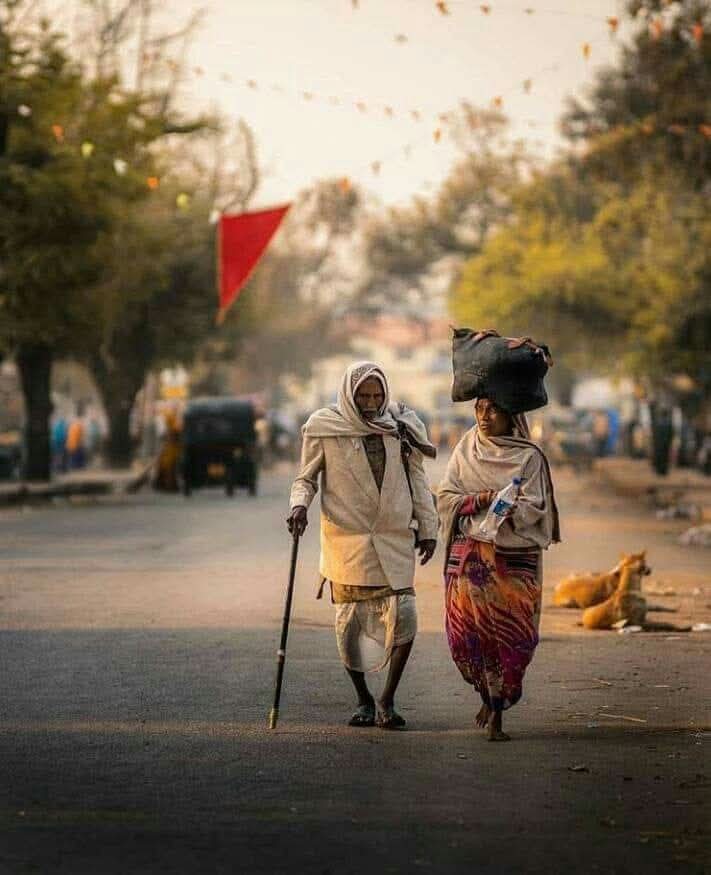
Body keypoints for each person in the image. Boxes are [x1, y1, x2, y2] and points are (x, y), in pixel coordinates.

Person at [287, 362, 438, 730]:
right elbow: (305, 478)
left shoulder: (402, 429)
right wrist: (298, 506)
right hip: (347, 543)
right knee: (349, 629)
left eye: (377, 395)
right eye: (363, 395)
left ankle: (387, 700)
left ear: (385, 394)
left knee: (405, 617)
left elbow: (417, 479)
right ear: (349, 395)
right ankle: (364, 700)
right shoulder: (325, 427)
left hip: (394, 538)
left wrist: (429, 527)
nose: (371, 403)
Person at [438, 397, 560, 742]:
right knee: (470, 635)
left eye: (493, 409)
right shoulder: (467, 446)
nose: (484, 416)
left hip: (513, 558)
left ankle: (497, 711)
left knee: (511, 636)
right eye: (479, 408)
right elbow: (446, 497)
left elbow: (536, 506)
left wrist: (505, 508)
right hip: (470, 556)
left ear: (511, 414)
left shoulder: (530, 457)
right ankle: (489, 700)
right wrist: (481, 500)